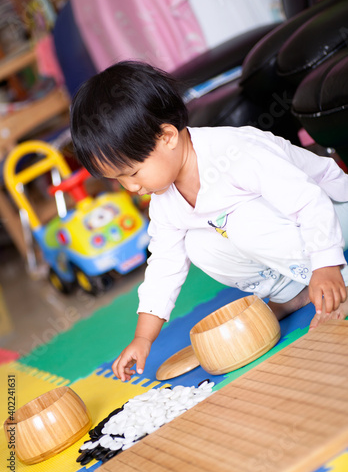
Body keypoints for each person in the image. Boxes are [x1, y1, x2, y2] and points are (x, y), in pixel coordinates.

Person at [70, 61, 348, 381]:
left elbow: (307, 200)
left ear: (167, 137)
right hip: (295, 232)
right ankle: (290, 292)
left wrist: (326, 265)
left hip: (332, 212)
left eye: (132, 172)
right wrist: (143, 339)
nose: (131, 187)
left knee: (238, 223)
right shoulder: (164, 199)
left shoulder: (235, 153)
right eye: (118, 180)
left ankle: (339, 282)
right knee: (199, 244)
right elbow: (164, 264)